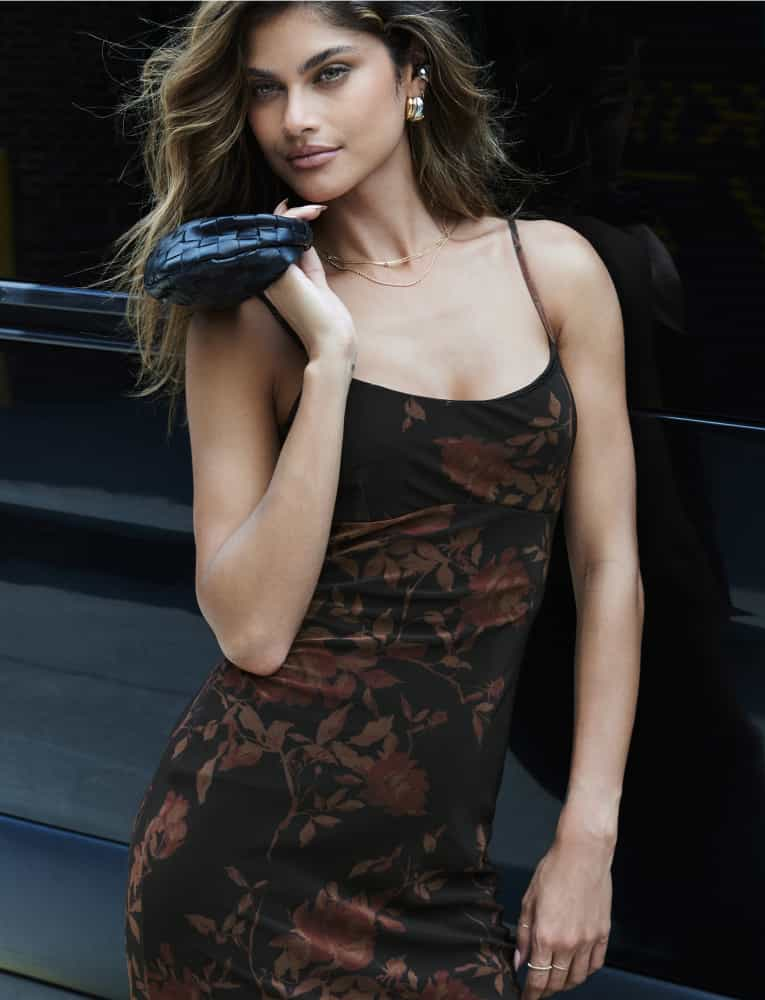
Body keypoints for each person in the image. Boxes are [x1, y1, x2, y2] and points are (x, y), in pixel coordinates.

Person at [114, 4, 642, 996]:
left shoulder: (555, 273)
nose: (294, 119)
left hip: (442, 885)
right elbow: (254, 632)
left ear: (412, 75)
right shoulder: (246, 318)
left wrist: (588, 836)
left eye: (328, 74)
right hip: (239, 871)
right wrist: (330, 359)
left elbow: (609, 564)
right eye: (266, 91)